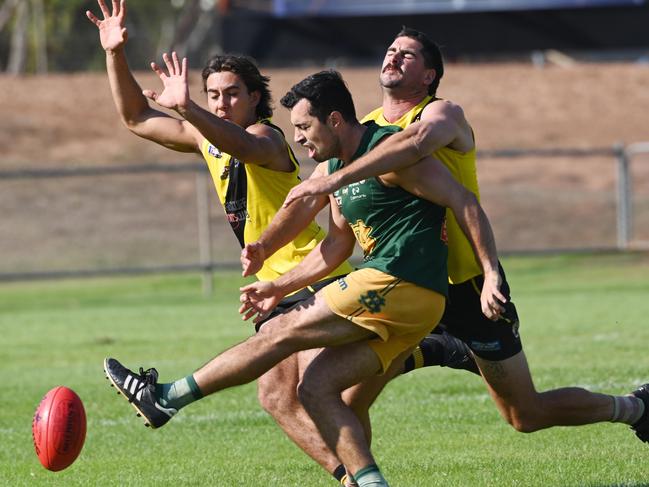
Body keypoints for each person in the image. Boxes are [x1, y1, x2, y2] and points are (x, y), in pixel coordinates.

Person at [86, 2, 480, 483]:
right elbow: (135, 118)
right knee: (283, 397)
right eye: (212, 95)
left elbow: (243, 146)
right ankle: (361, 469)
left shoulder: (269, 139)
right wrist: (114, 53)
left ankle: (425, 356)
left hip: (311, 275)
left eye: (232, 94)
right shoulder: (208, 136)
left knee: (323, 393)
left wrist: (187, 107)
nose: (221, 103)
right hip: (281, 281)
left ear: (256, 99)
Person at [276, 27, 649, 445]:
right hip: (406, 283)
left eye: (408, 55)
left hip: (468, 286)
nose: (394, 57)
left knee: (524, 414)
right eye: (391, 50)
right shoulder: (360, 133)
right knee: (344, 397)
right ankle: (362, 475)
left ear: (429, 76)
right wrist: (273, 274)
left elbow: (416, 143)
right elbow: (331, 222)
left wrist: (491, 274)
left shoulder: (443, 114)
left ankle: (635, 408)